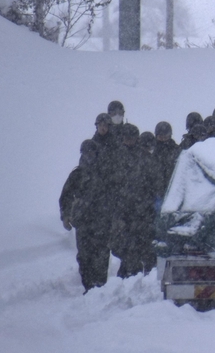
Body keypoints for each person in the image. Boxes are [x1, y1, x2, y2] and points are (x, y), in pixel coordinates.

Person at [60, 139, 114, 292]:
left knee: (102, 255)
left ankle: (100, 287)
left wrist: (114, 216)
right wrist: (66, 215)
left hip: (102, 222)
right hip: (83, 223)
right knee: (84, 257)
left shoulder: (105, 173)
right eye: (86, 152)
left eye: (92, 152)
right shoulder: (77, 175)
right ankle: (88, 287)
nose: (89, 155)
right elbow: (66, 196)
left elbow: (115, 195)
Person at [110, 125, 160, 277]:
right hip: (123, 212)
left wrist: (151, 201)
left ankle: (147, 276)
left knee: (145, 245)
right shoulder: (116, 157)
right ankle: (128, 275)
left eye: (132, 138)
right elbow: (110, 183)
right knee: (125, 247)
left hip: (144, 211)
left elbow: (156, 182)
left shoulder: (146, 158)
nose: (129, 141)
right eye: (126, 138)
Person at [153, 121, 180, 200]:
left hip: (173, 190)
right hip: (156, 192)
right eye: (161, 137)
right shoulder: (152, 150)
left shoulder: (176, 150)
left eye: (166, 136)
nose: (164, 139)